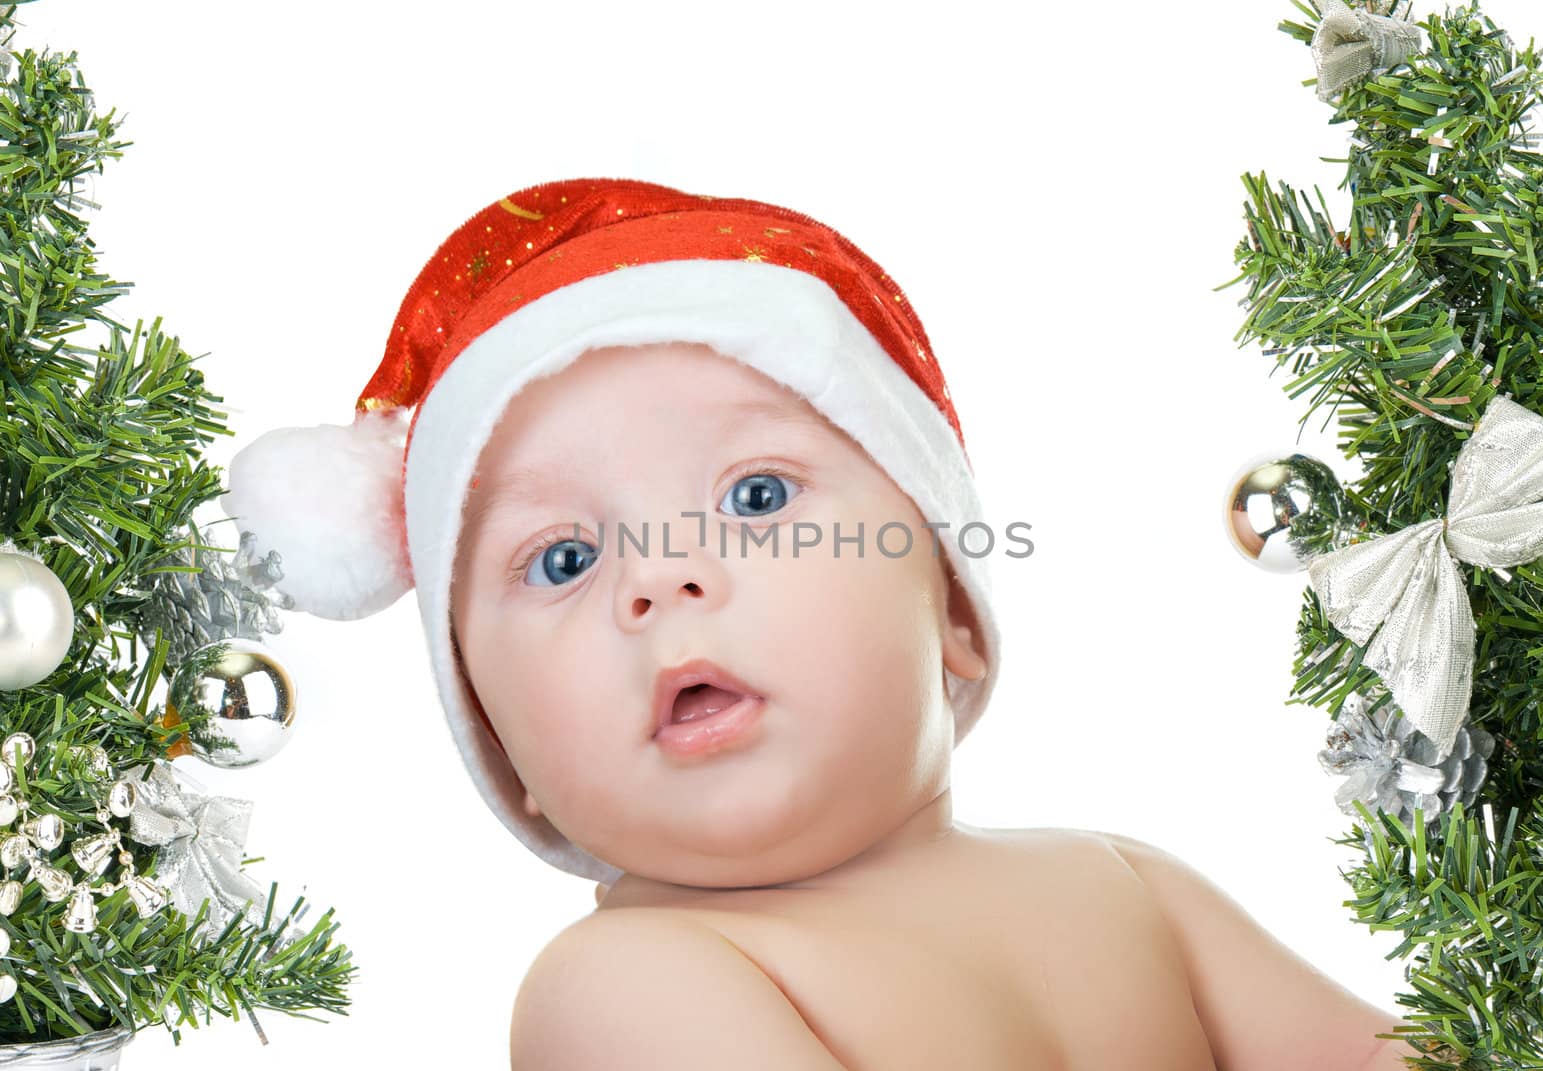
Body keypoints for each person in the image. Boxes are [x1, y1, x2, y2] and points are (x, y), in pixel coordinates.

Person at [221, 177, 1422, 1069]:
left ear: (952, 607)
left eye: (754, 497)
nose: (660, 582)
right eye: (566, 558)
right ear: (500, 749)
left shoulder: (1127, 887)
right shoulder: (626, 987)